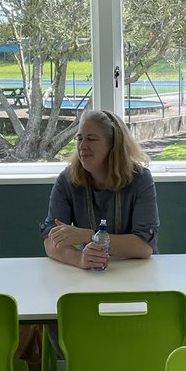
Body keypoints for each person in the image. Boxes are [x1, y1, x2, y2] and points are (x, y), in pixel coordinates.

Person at [41, 109, 159, 269]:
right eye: (79, 138)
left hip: (136, 271)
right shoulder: (67, 180)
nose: (82, 146)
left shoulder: (140, 178)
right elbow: (51, 240)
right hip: (92, 273)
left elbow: (144, 246)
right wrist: (80, 259)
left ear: (113, 145)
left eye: (91, 139)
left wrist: (89, 236)